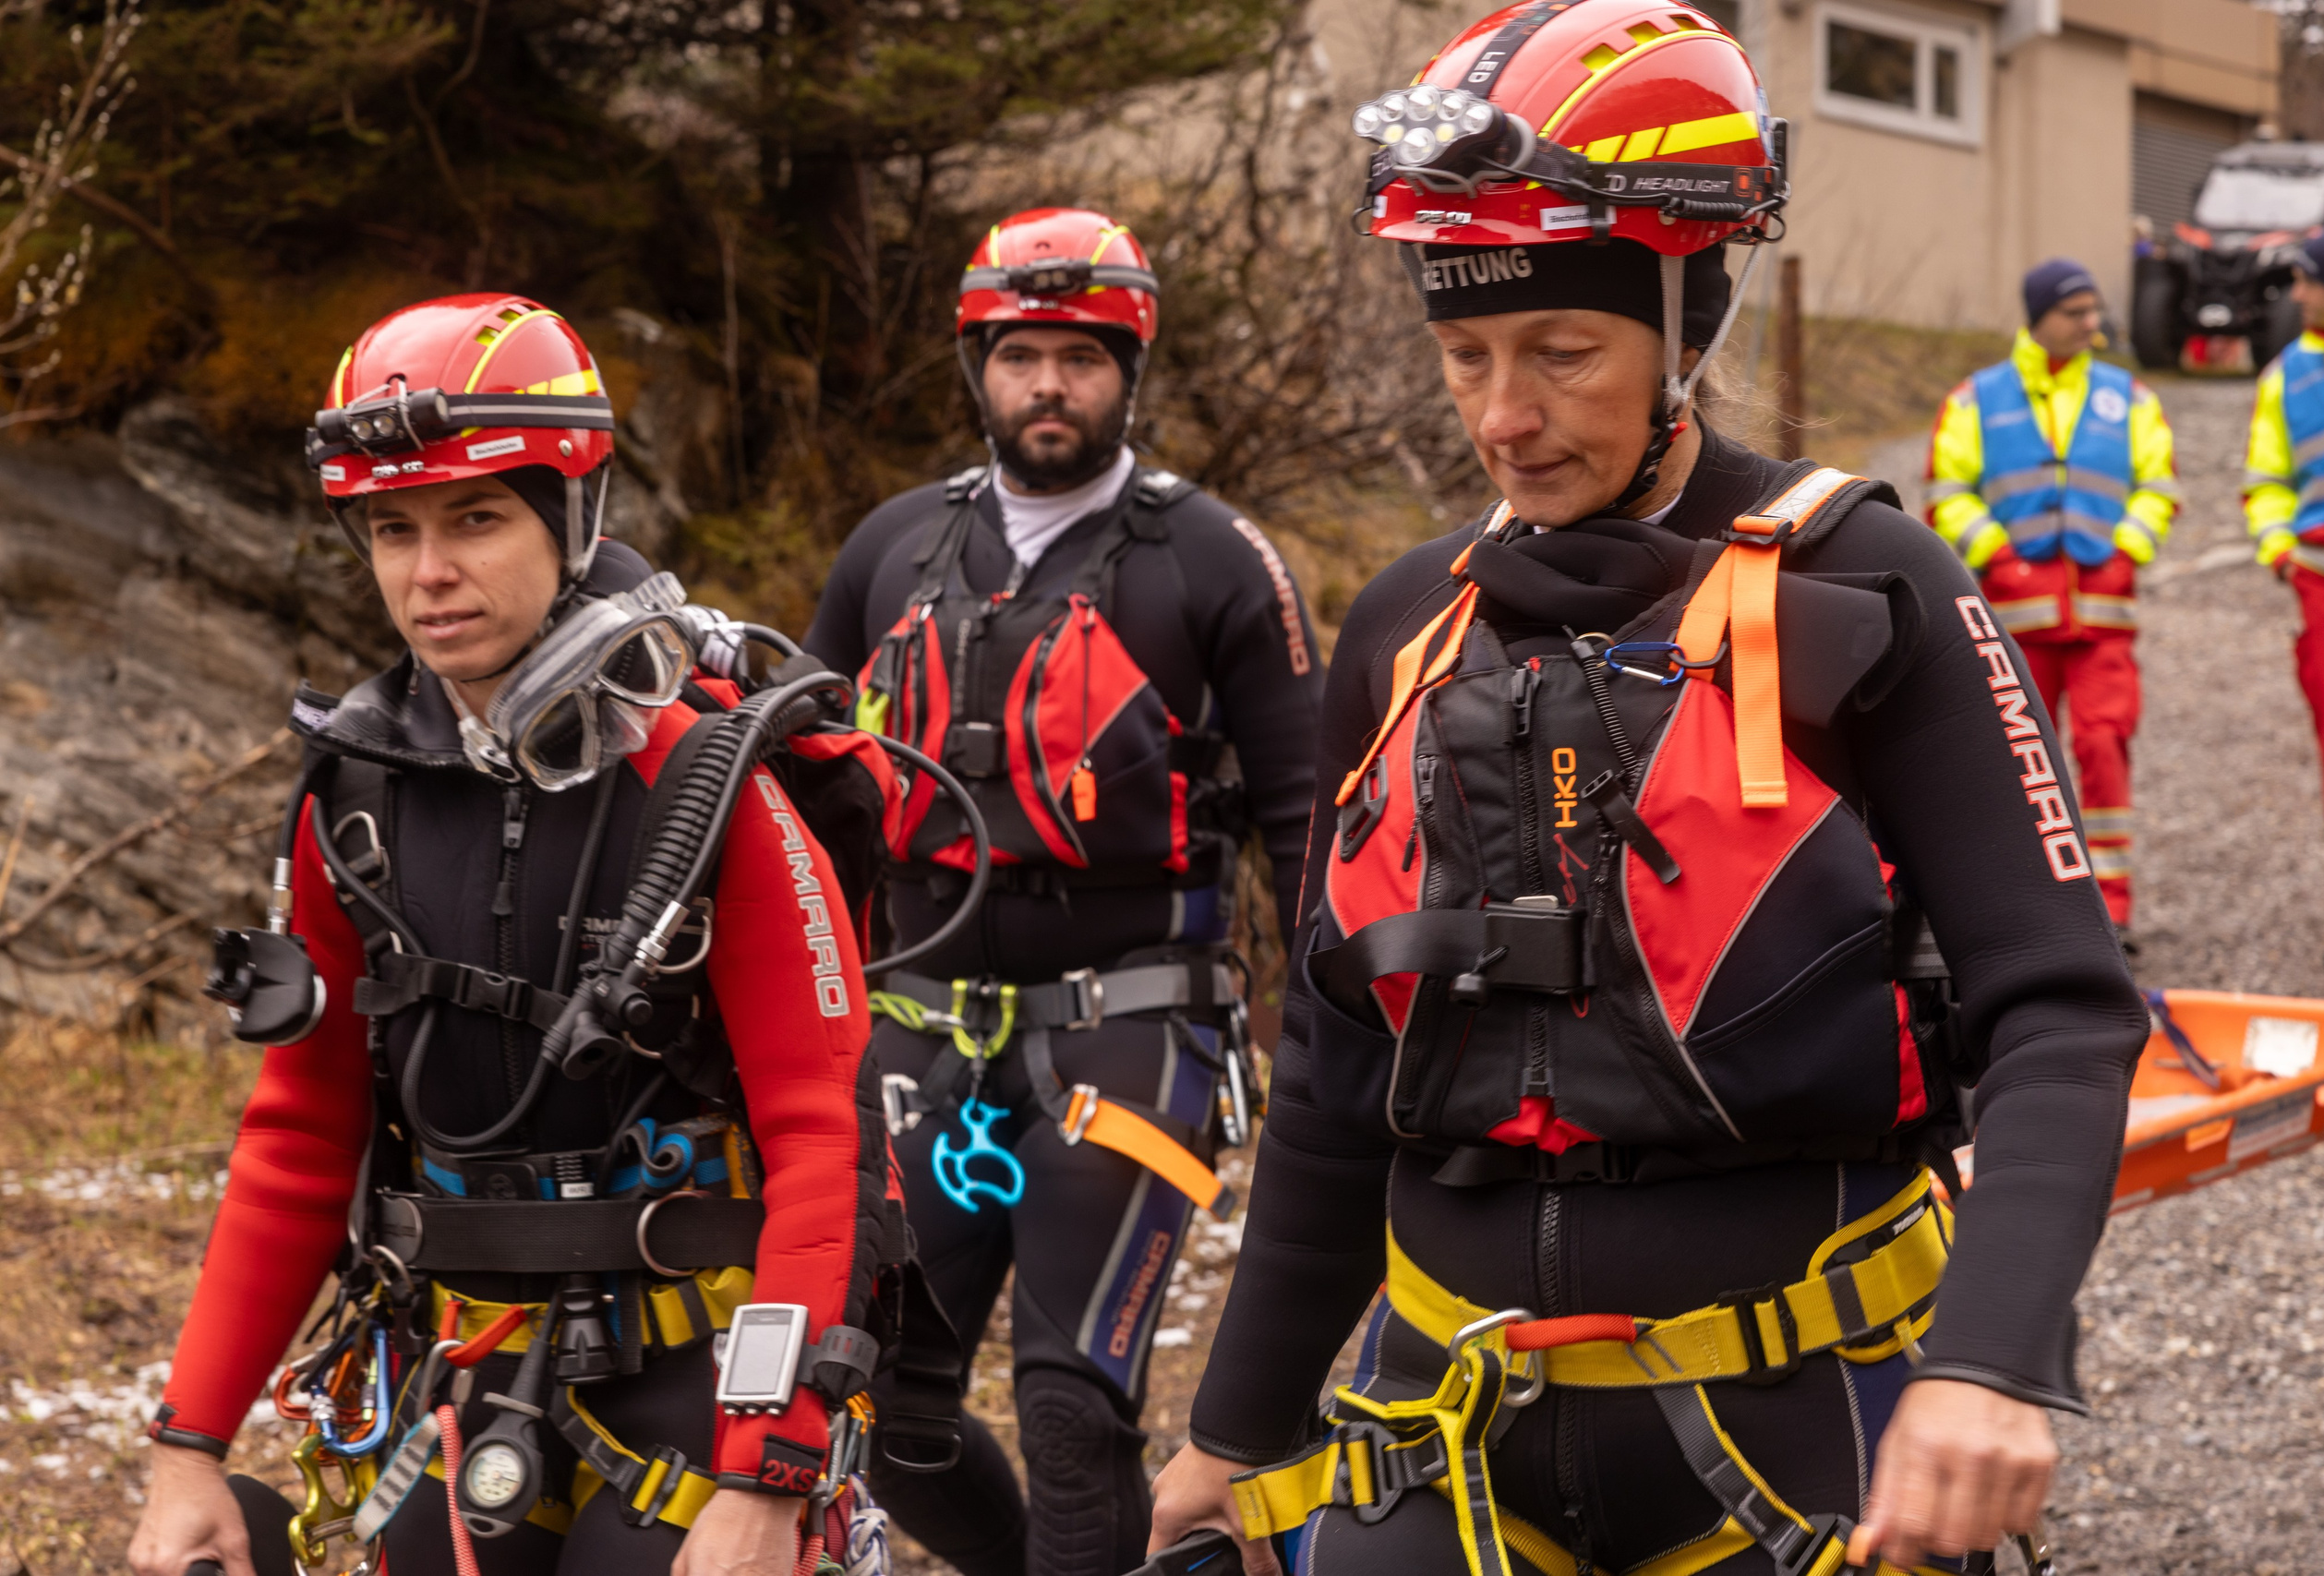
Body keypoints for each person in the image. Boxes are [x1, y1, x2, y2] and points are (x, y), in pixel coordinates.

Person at [1144, 7, 2147, 1575]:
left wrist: (1991, 1360)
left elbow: (2068, 1008)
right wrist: (1237, 1426)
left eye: (1561, 352)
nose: (1501, 416)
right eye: (1464, 355)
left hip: (1798, 1431)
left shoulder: (1868, 584)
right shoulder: (1410, 625)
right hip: (1442, 1430)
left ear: (1685, 326)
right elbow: (1338, 1073)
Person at [127, 294, 909, 1576]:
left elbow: (826, 1137)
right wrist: (187, 1440)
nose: (428, 574)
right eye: (393, 529)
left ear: (573, 517)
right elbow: (300, 1130)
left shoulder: (710, 785)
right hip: (466, 1360)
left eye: (476, 518)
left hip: (696, 1370)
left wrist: (771, 1461)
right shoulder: (355, 798)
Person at [802, 206, 1326, 1575]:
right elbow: (798, 808)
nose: (1051, 385)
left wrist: (1333, 1048)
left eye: (1082, 358)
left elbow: (1311, 830)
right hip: (923, 1023)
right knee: (889, 1404)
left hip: (1137, 1026)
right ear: (978, 363)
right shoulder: (890, 551)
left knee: (1068, 1401)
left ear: (1129, 370)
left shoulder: (1216, 561)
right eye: (1023, 354)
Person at [1924, 259, 2179, 942]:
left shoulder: (2130, 397)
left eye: (2095, 311)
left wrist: (2127, 549)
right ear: (2038, 317)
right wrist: (2000, 558)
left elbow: (2159, 486)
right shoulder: (1976, 399)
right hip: (2015, 626)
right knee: (2022, 766)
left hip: (2104, 621)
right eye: (2076, 313)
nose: (2092, 324)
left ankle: (2112, 911)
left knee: (2103, 747)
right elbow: (1947, 492)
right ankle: (2037, 914)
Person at [2245, 219, 2324, 968]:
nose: (2296, 292)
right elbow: (2264, 482)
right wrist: (2282, 553)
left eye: (2307, 278)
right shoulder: (2284, 374)